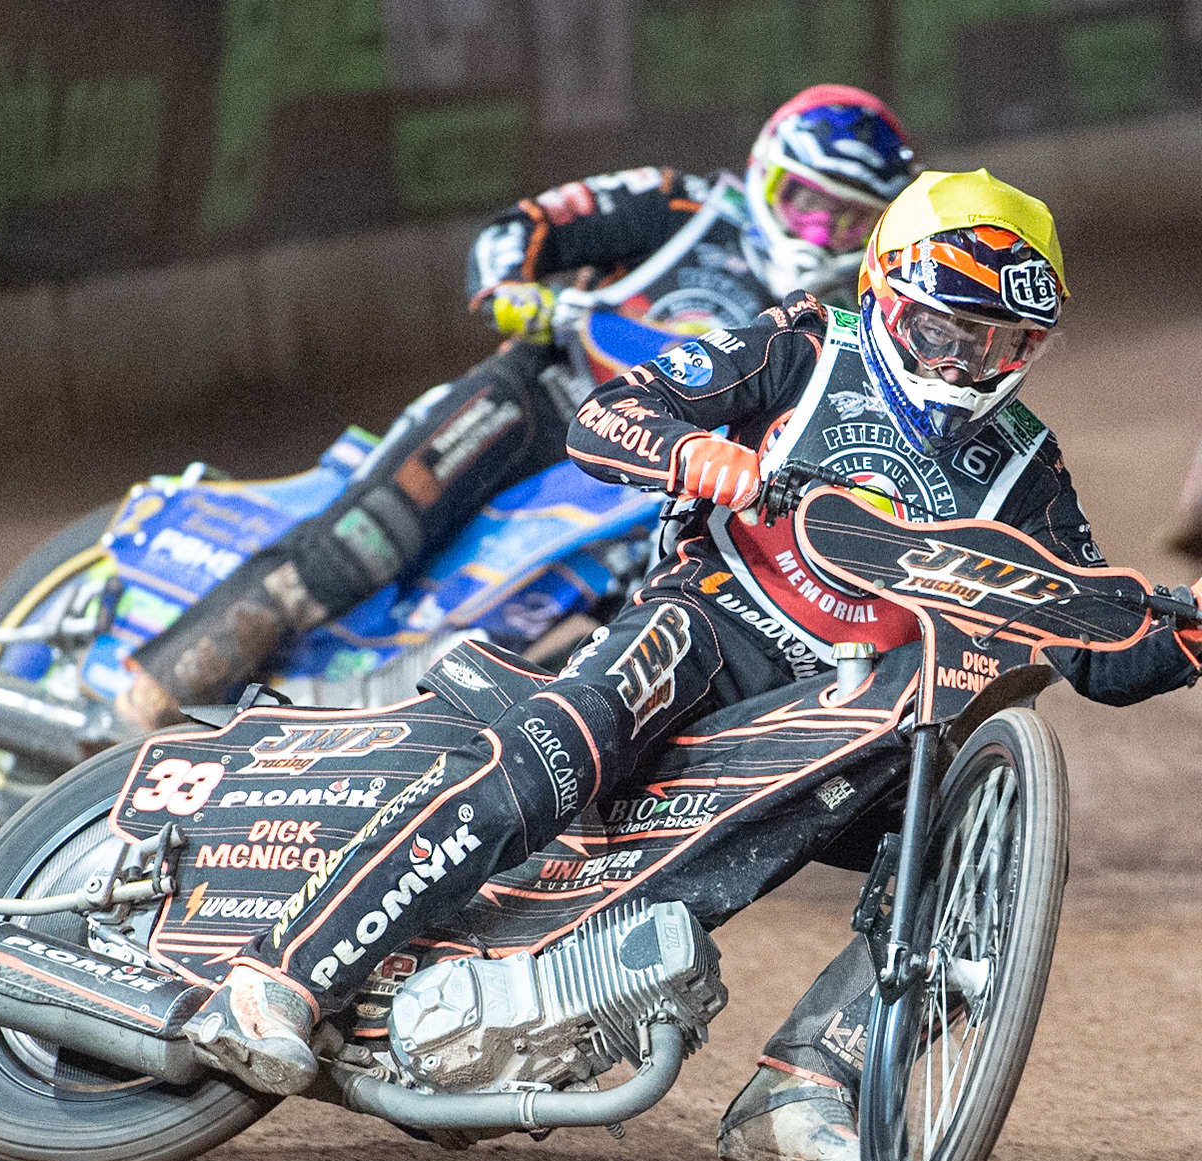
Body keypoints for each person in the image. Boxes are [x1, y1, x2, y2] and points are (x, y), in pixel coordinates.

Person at [177, 172, 1202, 1161]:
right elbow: (606, 416)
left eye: (999, 341)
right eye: (945, 327)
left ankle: (805, 1084)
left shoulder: (1028, 462)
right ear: (886, 295)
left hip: (846, 709)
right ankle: (286, 972)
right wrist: (691, 452)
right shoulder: (804, 342)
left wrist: (1191, 636)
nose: (964, 361)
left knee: (984, 848)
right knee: (563, 741)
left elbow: (1088, 640)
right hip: (705, 629)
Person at [114, 86, 919, 731]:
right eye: (809, 200)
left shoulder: (848, 312)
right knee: (375, 534)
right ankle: (159, 686)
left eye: (850, 217)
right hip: (543, 398)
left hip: (661, 483)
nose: (823, 230)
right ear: (766, 173)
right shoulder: (682, 207)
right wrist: (513, 295)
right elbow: (532, 224)